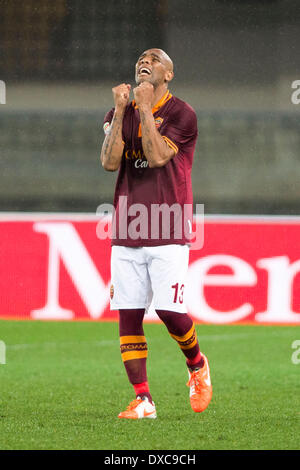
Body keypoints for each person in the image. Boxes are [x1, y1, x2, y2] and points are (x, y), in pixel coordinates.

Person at [100, 48, 212, 419]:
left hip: (168, 225)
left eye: (154, 58)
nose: (144, 61)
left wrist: (144, 109)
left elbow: (158, 154)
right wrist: (120, 111)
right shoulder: (120, 112)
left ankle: (196, 364)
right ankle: (143, 399)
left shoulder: (183, 113)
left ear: (169, 73)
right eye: (140, 58)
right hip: (127, 226)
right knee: (128, 316)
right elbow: (109, 161)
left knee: (169, 311)